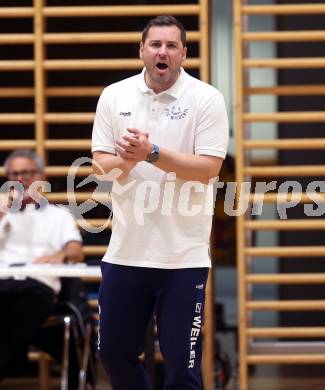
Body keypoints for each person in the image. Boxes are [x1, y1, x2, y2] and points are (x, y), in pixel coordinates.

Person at [92, 15, 229, 389]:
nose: (162, 52)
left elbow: (208, 169)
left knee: (181, 371)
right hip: (125, 254)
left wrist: (151, 153)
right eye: (155, 45)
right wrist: (128, 159)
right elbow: (101, 168)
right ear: (142, 51)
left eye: (171, 45)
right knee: (113, 354)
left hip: (182, 258)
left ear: (183, 53)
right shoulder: (114, 95)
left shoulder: (206, 98)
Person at [0, 149, 84, 381]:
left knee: (29, 301)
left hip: (37, 286)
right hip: (4, 282)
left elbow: (76, 252)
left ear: (42, 177)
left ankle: (10, 363)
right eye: (15, 173)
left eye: (28, 172)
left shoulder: (59, 216)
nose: (21, 178)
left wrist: (61, 255)